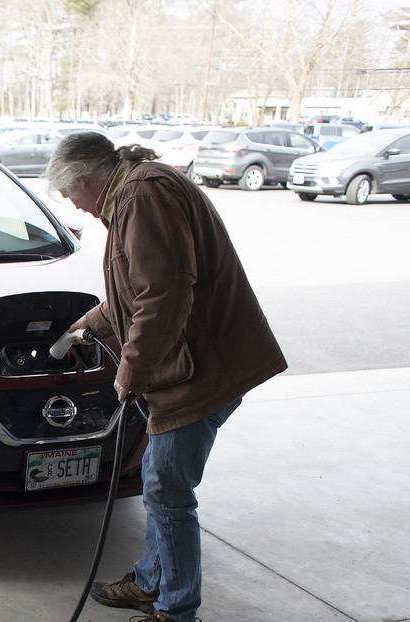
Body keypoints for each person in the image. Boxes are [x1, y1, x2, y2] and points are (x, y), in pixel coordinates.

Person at [44, 132, 287, 622]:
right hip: (194, 365)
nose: (77, 206)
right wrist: (95, 321)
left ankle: (176, 611)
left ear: (88, 179)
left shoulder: (143, 195)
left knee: (168, 492)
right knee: (160, 483)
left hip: (201, 372)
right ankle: (153, 580)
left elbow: (164, 295)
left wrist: (132, 370)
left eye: (71, 195)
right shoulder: (136, 190)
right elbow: (142, 284)